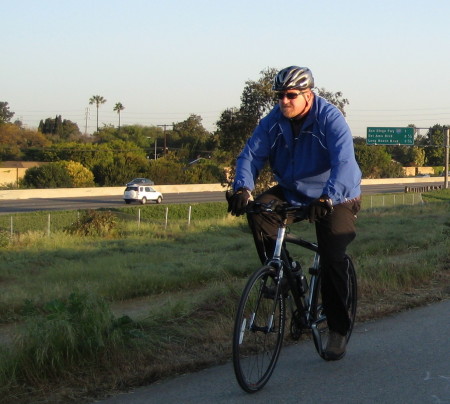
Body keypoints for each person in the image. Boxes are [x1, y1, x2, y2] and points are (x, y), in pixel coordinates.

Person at [227, 66, 362, 361]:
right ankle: (285, 273)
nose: (284, 101)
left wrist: (327, 198)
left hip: (336, 195)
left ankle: (338, 329)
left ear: (307, 94)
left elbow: (344, 164)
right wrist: (242, 189)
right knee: (259, 211)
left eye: (291, 95)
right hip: (293, 190)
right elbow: (251, 155)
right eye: (280, 96)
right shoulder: (274, 121)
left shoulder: (330, 119)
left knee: (332, 259)